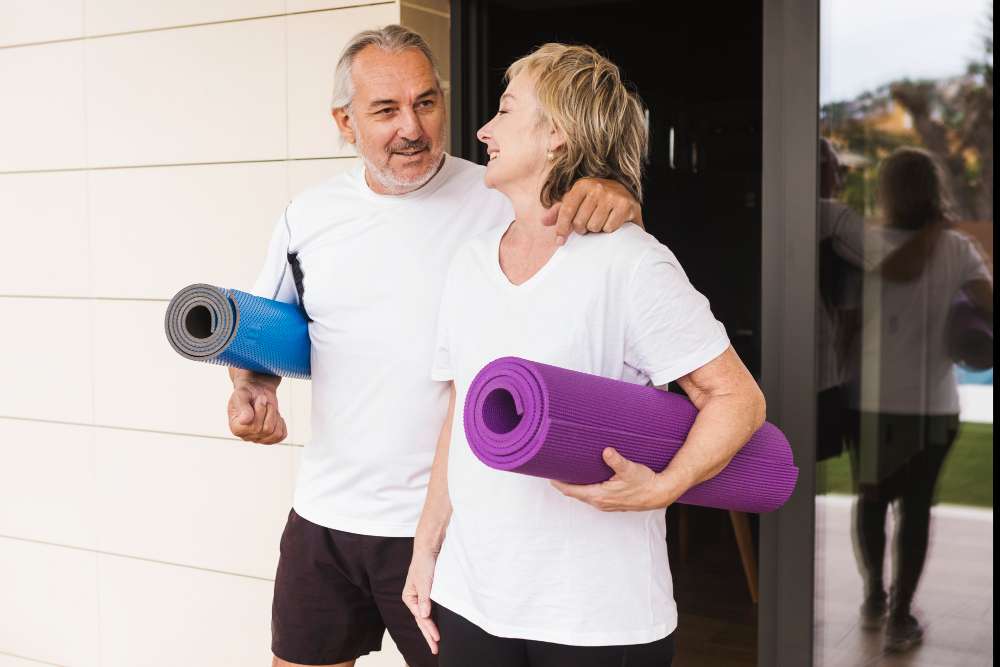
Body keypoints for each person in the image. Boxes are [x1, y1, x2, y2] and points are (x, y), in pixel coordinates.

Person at [225, 26, 645, 667]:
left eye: (425, 102)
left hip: (445, 527)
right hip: (324, 513)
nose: (412, 128)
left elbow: (605, 251)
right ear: (345, 122)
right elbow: (265, 334)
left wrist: (617, 197)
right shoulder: (307, 217)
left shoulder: (498, 196)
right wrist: (251, 389)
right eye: (385, 110)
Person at [402, 44, 766, 665]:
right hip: (472, 598)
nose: (484, 130)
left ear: (558, 136)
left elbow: (736, 397)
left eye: (505, 111)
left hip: (596, 620)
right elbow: (462, 414)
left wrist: (666, 486)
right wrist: (426, 546)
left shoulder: (630, 262)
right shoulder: (468, 264)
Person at [843, 147, 992, 652]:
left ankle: (881, 600)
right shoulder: (948, 247)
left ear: (888, 191)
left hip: (881, 403)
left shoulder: (865, 242)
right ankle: (895, 610)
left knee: (876, 500)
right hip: (923, 406)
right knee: (907, 508)